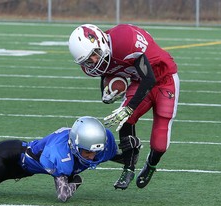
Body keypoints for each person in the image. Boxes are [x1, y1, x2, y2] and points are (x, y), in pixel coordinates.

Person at [68, 24, 180, 190]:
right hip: (139, 80)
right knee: (125, 120)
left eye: (93, 54)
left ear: (100, 42)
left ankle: (151, 164)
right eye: (87, 60)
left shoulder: (124, 40)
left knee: (159, 141)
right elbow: (105, 73)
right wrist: (106, 94)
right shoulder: (94, 62)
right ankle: (128, 168)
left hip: (164, 79)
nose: (93, 61)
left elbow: (149, 78)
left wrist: (129, 108)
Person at [0, 116, 140, 201]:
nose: (92, 157)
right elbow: (62, 195)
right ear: (74, 145)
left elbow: (112, 157)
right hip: (7, 158)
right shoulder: (59, 154)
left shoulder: (101, 146)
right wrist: (75, 181)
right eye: (87, 152)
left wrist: (131, 154)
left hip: (18, 168)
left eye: (95, 152)